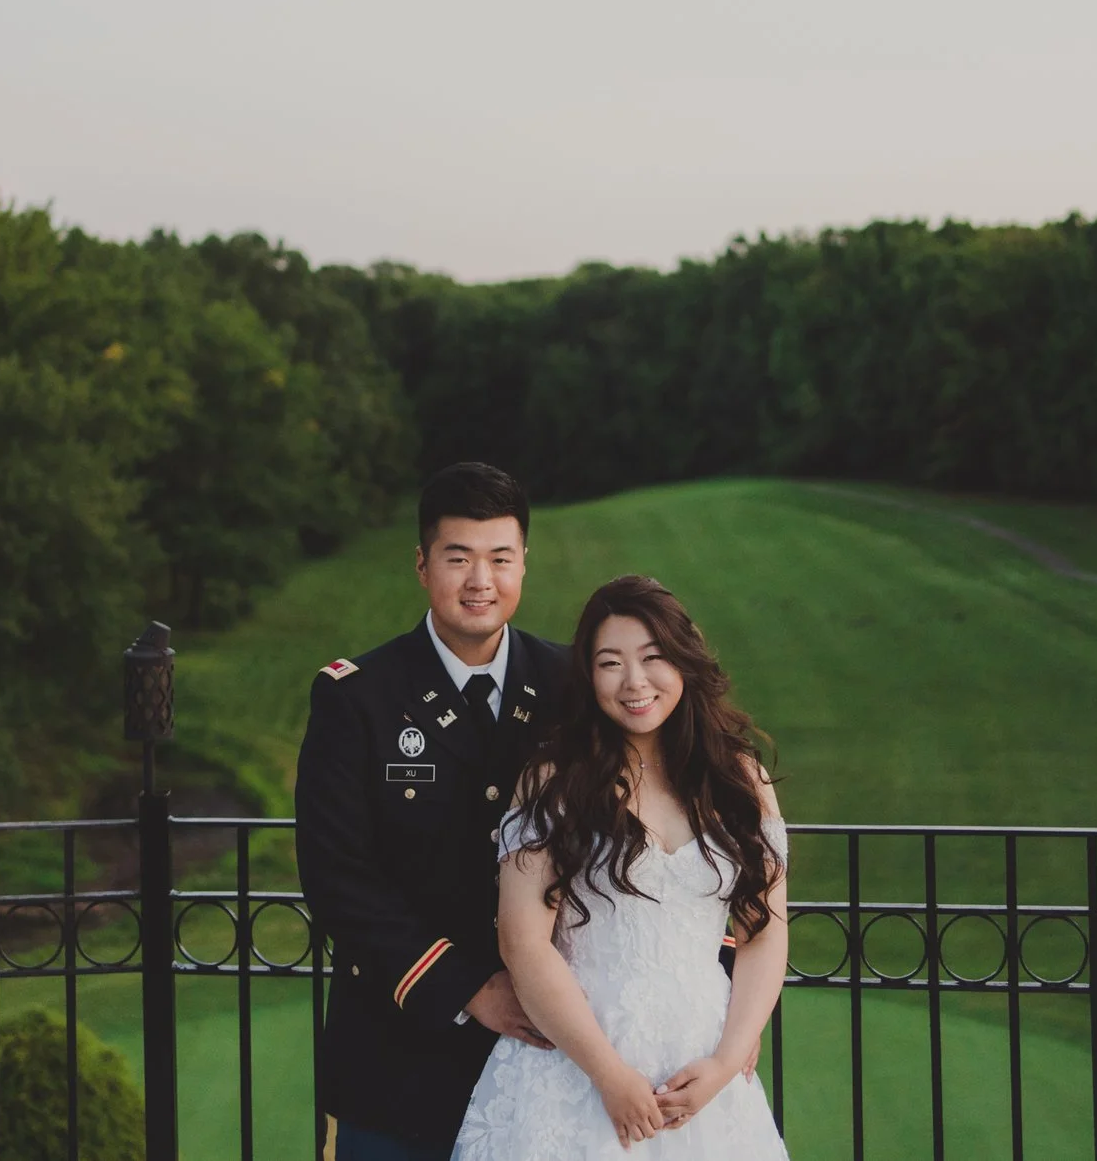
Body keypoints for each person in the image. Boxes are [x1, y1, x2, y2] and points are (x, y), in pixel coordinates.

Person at [454, 575, 790, 1159]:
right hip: (574, 1067)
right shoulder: (554, 782)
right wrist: (607, 1075)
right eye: (611, 663)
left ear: (683, 660)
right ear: (589, 677)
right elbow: (523, 943)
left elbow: (764, 932)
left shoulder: (738, 780)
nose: (634, 682)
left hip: (703, 1070)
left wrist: (726, 1060)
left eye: (652, 657)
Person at [296, 462, 572, 1161]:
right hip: (398, 1059)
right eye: (458, 557)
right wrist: (466, 987)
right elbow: (336, 877)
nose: (481, 580)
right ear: (422, 565)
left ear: (524, 563)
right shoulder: (357, 697)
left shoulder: (570, 685)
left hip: (548, 1063)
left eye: (500, 558)